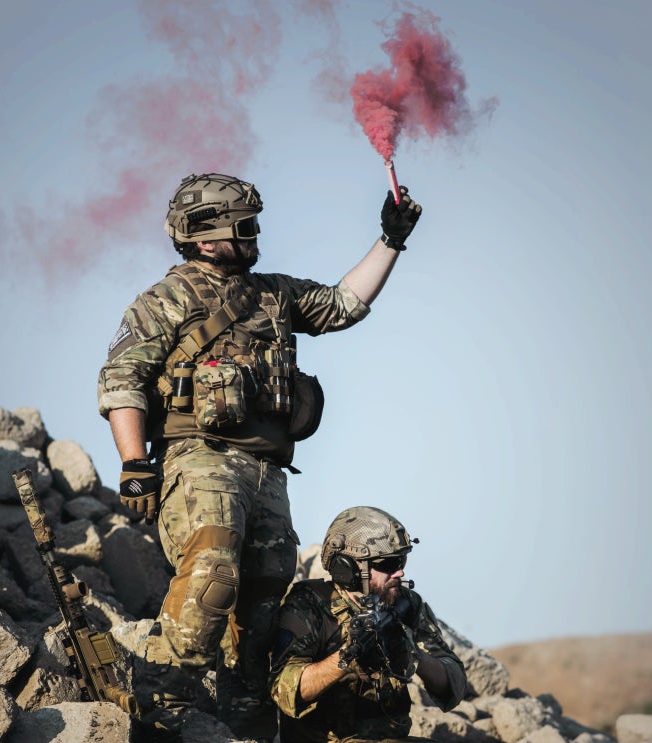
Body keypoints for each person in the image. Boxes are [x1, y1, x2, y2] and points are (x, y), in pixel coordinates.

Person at [97, 173, 422, 740]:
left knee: (267, 593)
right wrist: (134, 466)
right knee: (213, 571)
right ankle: (158, 690)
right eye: (243, 227)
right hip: (201, 458)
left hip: (268, 471)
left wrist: (390, 240)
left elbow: (343, 305)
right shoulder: (164, 301)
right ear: (204, 237)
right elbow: (121, 381)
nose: (255, 235)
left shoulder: (274, 291)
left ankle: (242, 714)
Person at [269, 506, 467, 743]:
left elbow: (454, 683)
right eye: (388, 564)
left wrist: (414, 656)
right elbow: (284, 690)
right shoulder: (309, 606)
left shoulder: (405, 604)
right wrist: (347, 658)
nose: (400, 571)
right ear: (349, 567)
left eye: (401, 560)